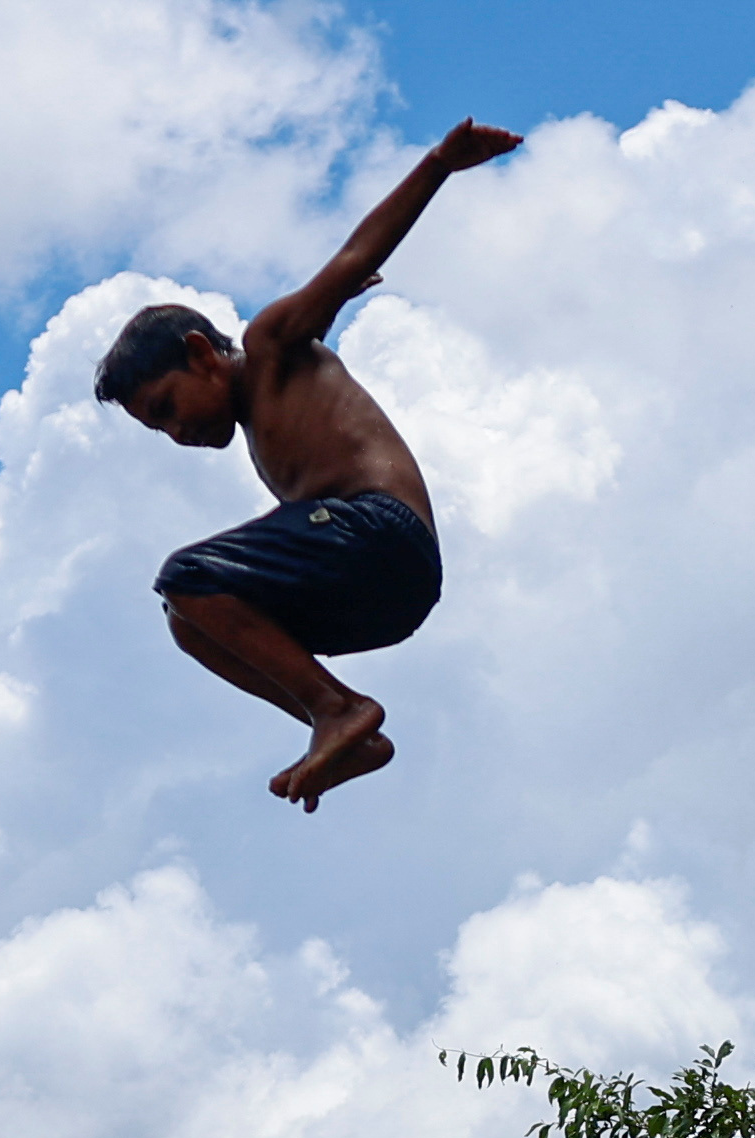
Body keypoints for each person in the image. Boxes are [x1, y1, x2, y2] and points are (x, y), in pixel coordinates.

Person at [96, 120, 525, 809]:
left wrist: (439, 163)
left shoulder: (272, 348)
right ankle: (344, 725)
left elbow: (355, 255)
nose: (177, 432)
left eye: (170, 406)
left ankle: (338, 710)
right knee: (188, 614)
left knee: (186, 575)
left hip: (379, 534)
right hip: (385, 598)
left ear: (203, 354)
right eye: (160, 429)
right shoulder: (264, 426)